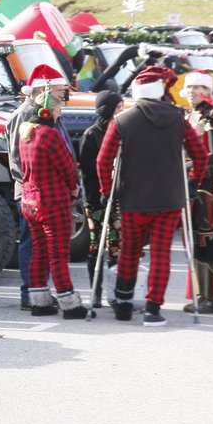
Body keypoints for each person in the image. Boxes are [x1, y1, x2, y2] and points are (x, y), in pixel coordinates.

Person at [97, 66, 209, 326]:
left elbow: (103, 161)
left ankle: (124, 304)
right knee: (161, 254)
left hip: (133, 198)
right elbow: (200, 155)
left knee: (129, 251)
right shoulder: (178, 118)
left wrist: (106, 191)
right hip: (169, 198)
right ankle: (153, 309)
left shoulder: (122, 120)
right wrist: (194, 183)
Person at [5, 63, 74, 311]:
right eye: (57, 91)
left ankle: (40, 294)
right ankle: (30, 294)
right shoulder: (25, 117)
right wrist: (34, 185)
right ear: (40, 90)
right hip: (34, 192)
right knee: (34, 245)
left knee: (42, 246)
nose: (61, 96)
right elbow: (18, 159)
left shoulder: (46, 112)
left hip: (41, 190)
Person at [16, 87, 88, 318]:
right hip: (52, 200)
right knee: (58, 255)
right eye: (57, 110)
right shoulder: (50, 134)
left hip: (30, 200)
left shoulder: (26, 132)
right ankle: (69, 303)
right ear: (47, 112)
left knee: (39, 251)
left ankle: (40, 302)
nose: (59, 115)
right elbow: (67, 166)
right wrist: (74, 187)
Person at [179, 70, 213, 314]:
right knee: (198, 239)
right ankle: (203, 294)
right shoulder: (194, 114)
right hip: (197, 184)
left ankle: (212, 297)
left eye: (199, 88)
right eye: (190, 87)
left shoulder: (211, 116)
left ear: (208, 91)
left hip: (209, 187)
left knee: (207, 238)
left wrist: (187, 163)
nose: (193, 92)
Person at [78, 90, 124, 307]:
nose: (121, 112)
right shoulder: (92, 134)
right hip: (96, 197)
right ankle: (95, 291)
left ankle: (115, 292)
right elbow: (87, 168)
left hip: (118, 196)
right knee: (97, 245)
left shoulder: (123, 131)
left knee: (116, 245)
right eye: (118, 108)